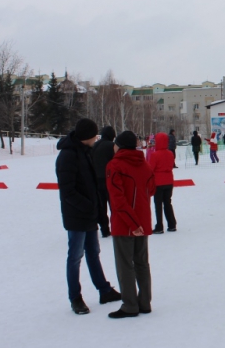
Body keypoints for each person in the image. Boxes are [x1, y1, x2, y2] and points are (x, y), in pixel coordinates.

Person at [56, 118, 121, 315]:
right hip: (76, 215)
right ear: (87, 136)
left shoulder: (86, 152)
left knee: (94, 252)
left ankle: (104, 290)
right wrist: (88, 206)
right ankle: (75, 297)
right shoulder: (67, 156)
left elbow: (91, 183)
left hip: (90, 214)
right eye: (94, 135)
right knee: (75, 257)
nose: (97, 138)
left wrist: (96, 208)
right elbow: (68, 191)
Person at [106, 130, 156, 318]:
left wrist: (132, 223)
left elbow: (117, 199)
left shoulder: (115, 165)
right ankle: (145, 302)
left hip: (125, 223)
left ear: (119, 145)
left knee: (125, 264)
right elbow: (151, 190)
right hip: (142, 220)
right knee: (142, 263)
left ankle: (129, 305)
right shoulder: (144, 164)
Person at [148, 132, 177, 233]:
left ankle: (159, 226)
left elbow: (150, 169)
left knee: (158, 204)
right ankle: (172, 224)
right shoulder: (170, 153)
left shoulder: (155, 155)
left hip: (158, 182)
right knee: (168, 202)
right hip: (169, 180)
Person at [92, 125, 116, 237]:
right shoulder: (112, 146)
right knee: (114, 205)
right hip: (110, 179)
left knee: (101, 206)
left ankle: (104, 229)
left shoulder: (95, 145)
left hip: (96, 180)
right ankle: (116, 227)